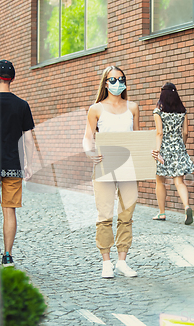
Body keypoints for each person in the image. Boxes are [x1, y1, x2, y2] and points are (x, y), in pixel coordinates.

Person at [83, 66, 140, 278]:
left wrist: (150, 153)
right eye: (113, 80)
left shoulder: (133, 107)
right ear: (105, 83)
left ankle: (122, 261)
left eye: (121, 79)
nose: (117, 83)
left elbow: (137, 138)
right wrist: (89, 152)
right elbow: (88, 136)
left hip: (128, 167)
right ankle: (106, 262)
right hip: (104, 165)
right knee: (104, 215)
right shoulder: (96, 109)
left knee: (126, 216)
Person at [0, 60, 35, 267]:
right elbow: (28, 139)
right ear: (12, 79)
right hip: (14, 165)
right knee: (9, 210)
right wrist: (29, 164)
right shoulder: (22, 105)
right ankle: (7, 255)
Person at [151, 82, 194, 224]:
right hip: (179, 148)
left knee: (160, 181)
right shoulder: (183, 111)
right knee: (179, 182)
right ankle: (187, 206)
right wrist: (181, 146)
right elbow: (186, 132)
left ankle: (162, 213)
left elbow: (159, 133)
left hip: (164, 150)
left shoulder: (158, 111)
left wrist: (157, 152)